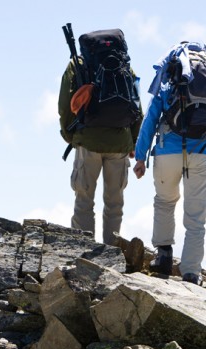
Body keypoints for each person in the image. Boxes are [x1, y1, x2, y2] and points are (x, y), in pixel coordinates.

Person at [133, 41, 206, 285]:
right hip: (204, 153)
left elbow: (150, 120)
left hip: (167, 151)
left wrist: (141, 156)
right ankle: (190, 273)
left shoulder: (168, 85)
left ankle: (163, 257)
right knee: (196, 219)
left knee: (164, 202)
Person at [58, 30, 143, 246]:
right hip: (120, 142)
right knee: (114, 203)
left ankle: (83, 251)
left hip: (88, 140)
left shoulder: (79, 64)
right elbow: (136, 107)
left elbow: (65, 104)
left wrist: (70, 135)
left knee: (84, 200)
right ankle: (111, 251)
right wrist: (133, 142)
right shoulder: (124, 65)